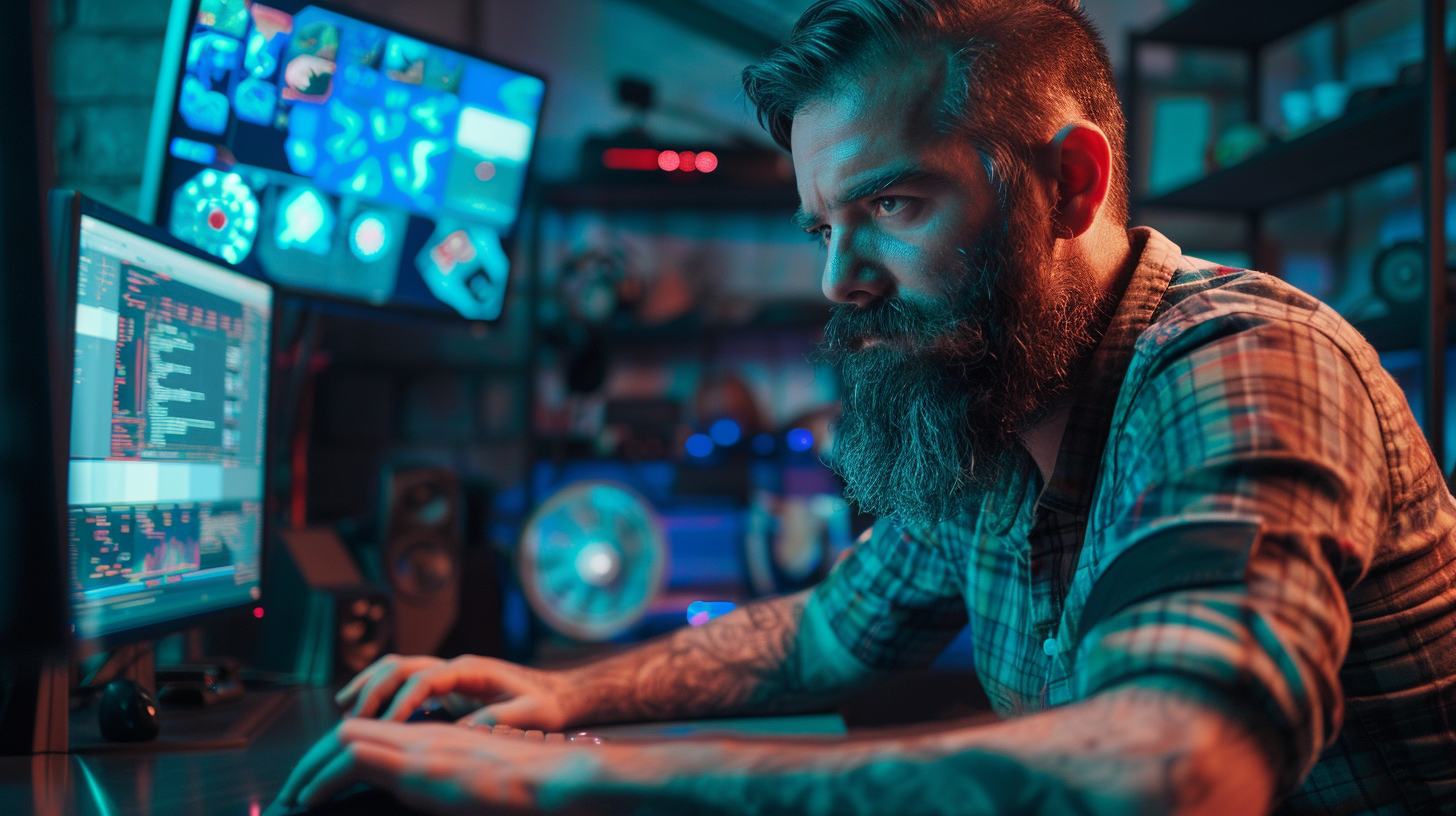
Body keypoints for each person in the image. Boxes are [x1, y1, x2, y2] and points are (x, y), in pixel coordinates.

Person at [271, 1, 1456, 813]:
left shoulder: (1240, 366)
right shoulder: (996, 408)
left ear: (1069, 182)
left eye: (890, 206)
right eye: (820, 227)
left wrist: (572, 782)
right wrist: (561, 697)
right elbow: (821, 632)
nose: (838, 279)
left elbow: (1173, 769)